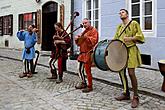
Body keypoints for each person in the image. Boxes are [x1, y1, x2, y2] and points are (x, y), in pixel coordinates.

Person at [113, 9, 145, 108]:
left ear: (127, 14)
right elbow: (115, 39)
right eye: (120, 12)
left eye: (122, 12)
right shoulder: (119, 26)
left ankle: (135, 96)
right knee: (121, 72)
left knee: (131, 73)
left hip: (131, 50)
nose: (120, 13)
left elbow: (141, 37)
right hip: (121, 51)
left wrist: (131, 38)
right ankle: (126, 93)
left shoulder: (134, 23)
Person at [75, 18, 98, 93]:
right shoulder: (84, 31)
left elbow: (94, 40)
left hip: (88, 53)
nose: (84, 24)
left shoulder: (94, 30)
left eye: (86, 23)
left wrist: (86, 38)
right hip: (82, 53)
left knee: (87, 70)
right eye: (83, 23)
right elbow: (79, 43)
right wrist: (77, 38)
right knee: (79, 69)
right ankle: (83, 82)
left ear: (89, 23)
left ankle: (90, 86)